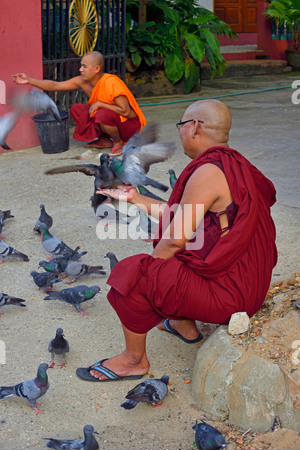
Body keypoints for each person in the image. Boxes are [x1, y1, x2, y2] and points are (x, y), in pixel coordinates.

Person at [75, 99, 278, 382]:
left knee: (133, 273)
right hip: (249, 288)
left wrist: (148, 279)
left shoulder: (208, 172)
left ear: (195, 127)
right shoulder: (237, 165)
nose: (180, 132)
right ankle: (182, 321)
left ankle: (134, 360)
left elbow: (173, 240)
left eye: (181, 125)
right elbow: (187, 219)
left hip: (231, 298)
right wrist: (135, 197)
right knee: (179, 253)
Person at [12, 51, 146, 155]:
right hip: (113, 121)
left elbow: (125, 111)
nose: (80, 69)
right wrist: (29, 80)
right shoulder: (82, 81)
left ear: (96, 69)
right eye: (81, 66)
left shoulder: (111, 82)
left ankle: (118, 142)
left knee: (102, 113)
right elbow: (55, 85)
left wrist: (100, 104)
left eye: (84, 66)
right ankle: (105, 139)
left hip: (130, 127)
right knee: (77, 109)